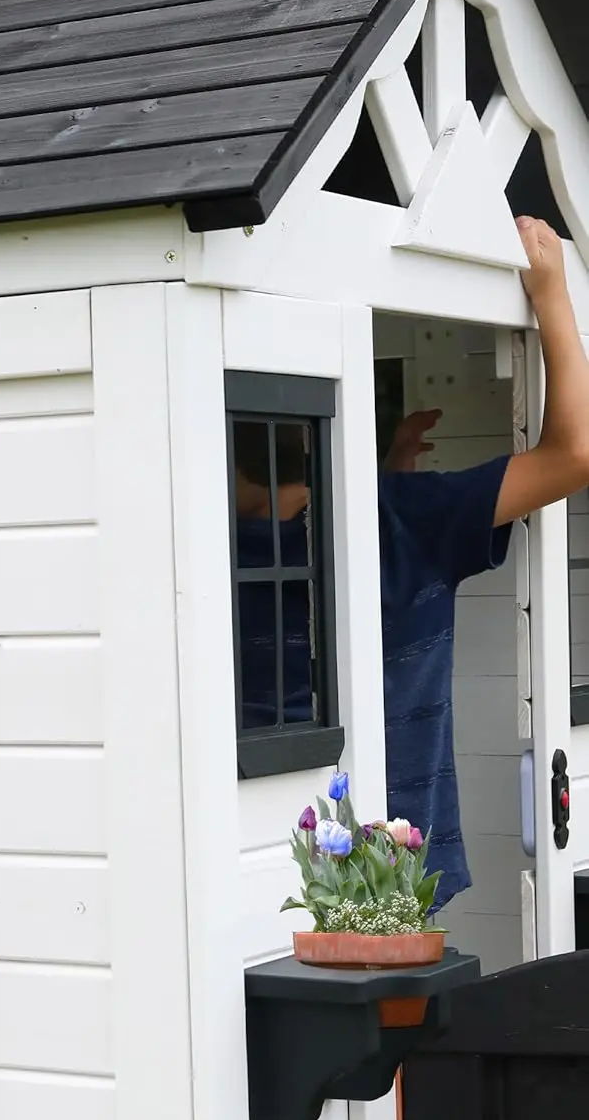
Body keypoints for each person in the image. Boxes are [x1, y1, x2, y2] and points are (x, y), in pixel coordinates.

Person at [235, 217, 589, 909]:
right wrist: (551, 292)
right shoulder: (401, 519)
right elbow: (572, 454)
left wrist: (387, 477)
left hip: (267, 876)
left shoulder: (214, 544)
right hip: (394, 872)